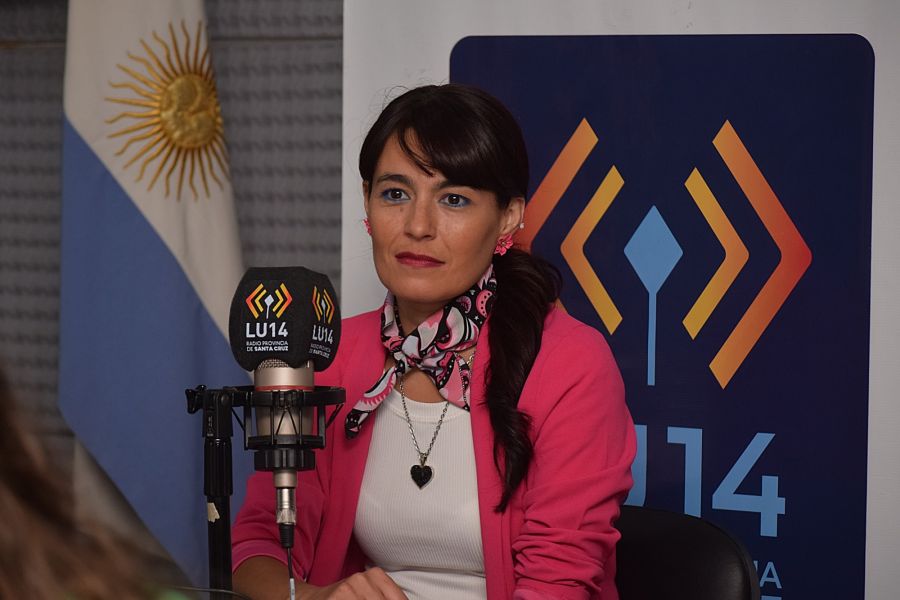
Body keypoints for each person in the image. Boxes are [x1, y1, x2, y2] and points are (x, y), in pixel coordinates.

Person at [232, 84, 636, 600]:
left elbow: (559, 582)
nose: (417, 226)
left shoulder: (570, 363)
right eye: (395, 194)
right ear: (367, 201)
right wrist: (313, 598)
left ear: (509, 216)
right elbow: (260, 543)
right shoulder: (327, 353)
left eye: (454, 199)